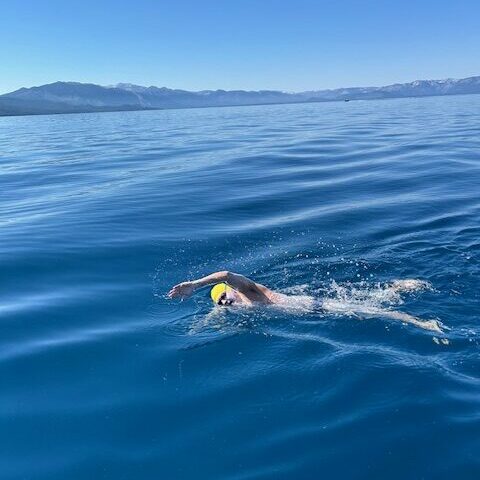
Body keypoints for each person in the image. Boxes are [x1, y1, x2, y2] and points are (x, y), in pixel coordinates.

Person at [167, 271, 279, 306]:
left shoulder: (247, 291)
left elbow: (226, 275)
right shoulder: (240, 306)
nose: (224, 301)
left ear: (233, 290)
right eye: (220, 301)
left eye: (224, 296)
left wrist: (195, 284)